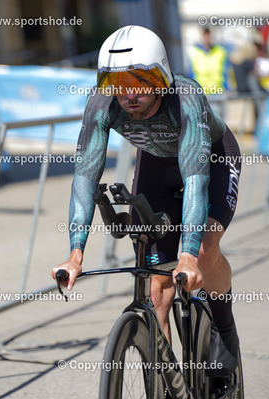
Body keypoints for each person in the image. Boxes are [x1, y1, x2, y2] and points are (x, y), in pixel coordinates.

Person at [51, 25, 241, 376]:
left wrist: (188, 257)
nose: (129, 95)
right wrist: (75, 254)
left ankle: (224, 326)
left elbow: (196, 179)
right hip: (156, 166)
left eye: (140, 82)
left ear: (161, 78)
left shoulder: (185, 97)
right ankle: (165, 388)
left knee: (204, 249)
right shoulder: (102, 103)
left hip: (211, 161)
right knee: (157, 284)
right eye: (118, 84)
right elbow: (85, 176)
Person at [187, 27, 229, 94]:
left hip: (219, 92)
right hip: (201, 93)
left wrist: (227, 89)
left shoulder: (221, 51)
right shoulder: (193, 52)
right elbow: (190, 74)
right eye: (205, 35)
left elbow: (226, 72)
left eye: (208, 34)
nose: (207, 37)